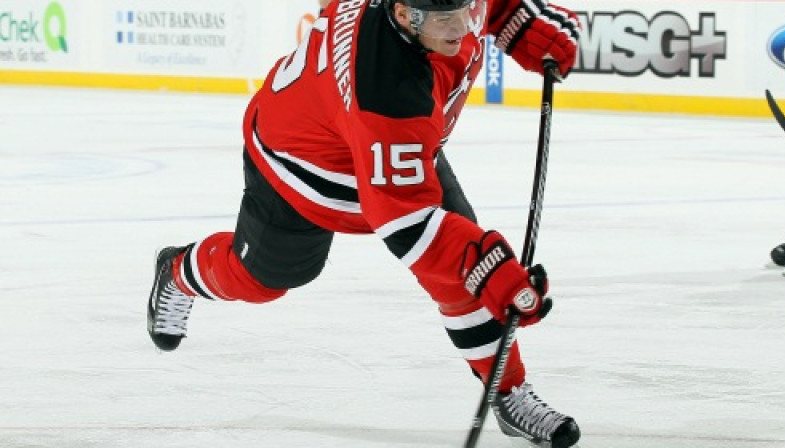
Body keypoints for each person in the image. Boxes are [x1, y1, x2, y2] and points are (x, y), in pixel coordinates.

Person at [147, 0, 581, 446]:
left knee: (461, 275)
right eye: (443, 17)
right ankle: (179, 272)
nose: (461, 27)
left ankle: (507, 392)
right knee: (267, 278)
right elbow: (406, 224)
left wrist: (520, 20)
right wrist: (484, 265)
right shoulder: (386, 84)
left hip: (393, 142)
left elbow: (490, 7)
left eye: (465, 9)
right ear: (401, 15)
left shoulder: (430, 15)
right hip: (304, 166)